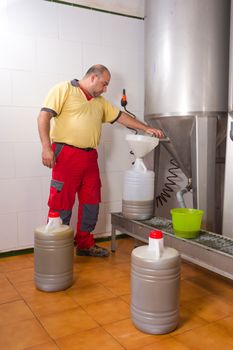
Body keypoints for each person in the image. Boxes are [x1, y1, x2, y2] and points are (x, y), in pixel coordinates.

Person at [37, 64, 164, 257]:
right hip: (66, 155)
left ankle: (85, 244)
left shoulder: (100, 102)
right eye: (104, 84)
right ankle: (57, 249)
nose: (105, 89)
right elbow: (43, 116)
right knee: (61, 201)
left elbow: (121, 116)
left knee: (91, 200)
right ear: (93, 78)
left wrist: (146, 128)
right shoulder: (63, 89)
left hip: (89, 157)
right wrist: (46, 147)